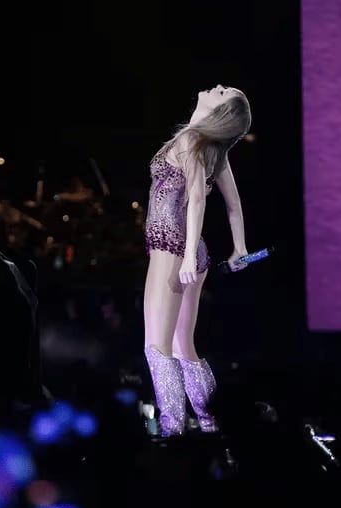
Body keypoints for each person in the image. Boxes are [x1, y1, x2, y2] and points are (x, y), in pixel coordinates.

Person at [143, 84, 251, 437]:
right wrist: (239, 248)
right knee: (181, 345)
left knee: (157, 348)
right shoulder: (209, 149)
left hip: (171, 246)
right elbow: (233, 207)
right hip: (186, 249)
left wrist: (187, 255)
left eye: (223, 94)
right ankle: (210, 422)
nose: (217, 87)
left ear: (222, 114)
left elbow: (198, 201)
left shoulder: (192, 142)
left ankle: (172, 433)